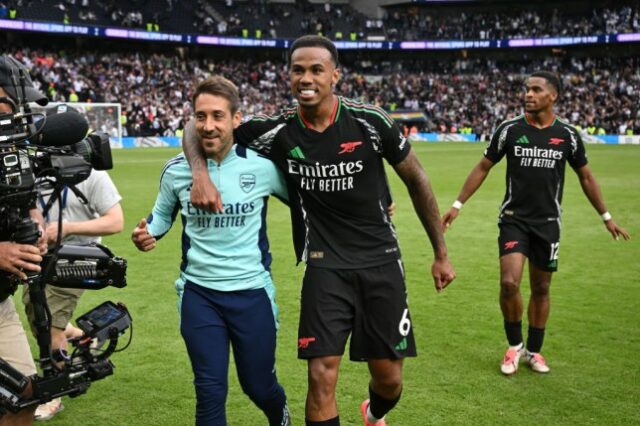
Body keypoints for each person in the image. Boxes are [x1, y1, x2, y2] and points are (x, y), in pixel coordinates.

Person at [182, 35, 455, 426]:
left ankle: (373, 412)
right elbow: (196, 128)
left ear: (335, 75)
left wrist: (441, 253)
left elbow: (418, 179)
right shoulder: (277, 128)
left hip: (380, 261)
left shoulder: (369, 120)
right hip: (324, 265)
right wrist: (200, 174)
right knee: (321, 374)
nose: (306, 78)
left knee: (389, 380)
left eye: (316, 70)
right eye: (298, 70)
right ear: (288, 76)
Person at [442, 71, 630, 376]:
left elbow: (586, 176)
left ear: (552, 96)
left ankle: (534, 350)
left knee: (541, 287)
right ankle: (514, 346)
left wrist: (606, 217)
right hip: (514, 220)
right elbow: (483, 167)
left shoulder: (567, 135)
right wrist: (457, 205)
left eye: (536, 89)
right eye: (526, 89)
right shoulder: (509, 130)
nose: (528, 94)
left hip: (548, 223)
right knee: (509, 283)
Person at [131, 76, 291, 426]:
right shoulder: (176, 170)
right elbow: (160, 217)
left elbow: (306, 202)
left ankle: (282, 418)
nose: (209, 125)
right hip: (199, 294)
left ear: (236, 119)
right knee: (209, 390)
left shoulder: (262, 167)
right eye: (200, 116)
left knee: (259, 386)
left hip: (252, 293)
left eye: (218, 116)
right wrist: (147, 233)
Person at [23, 164, 123, 420]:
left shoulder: (93, 175)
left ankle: (55, 392)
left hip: (77, 260)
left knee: (49, 326)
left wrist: (68, 228)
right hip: (39, 258)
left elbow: (116, 221)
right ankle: (81, 336)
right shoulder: (31, 172)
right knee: (37, 316)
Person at [0, 54, 49, 426]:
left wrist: (36, 228)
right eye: (11, 104)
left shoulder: (11, 151)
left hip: (0, 304)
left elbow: (26, 205)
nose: (19, 115)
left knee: (25, 396)